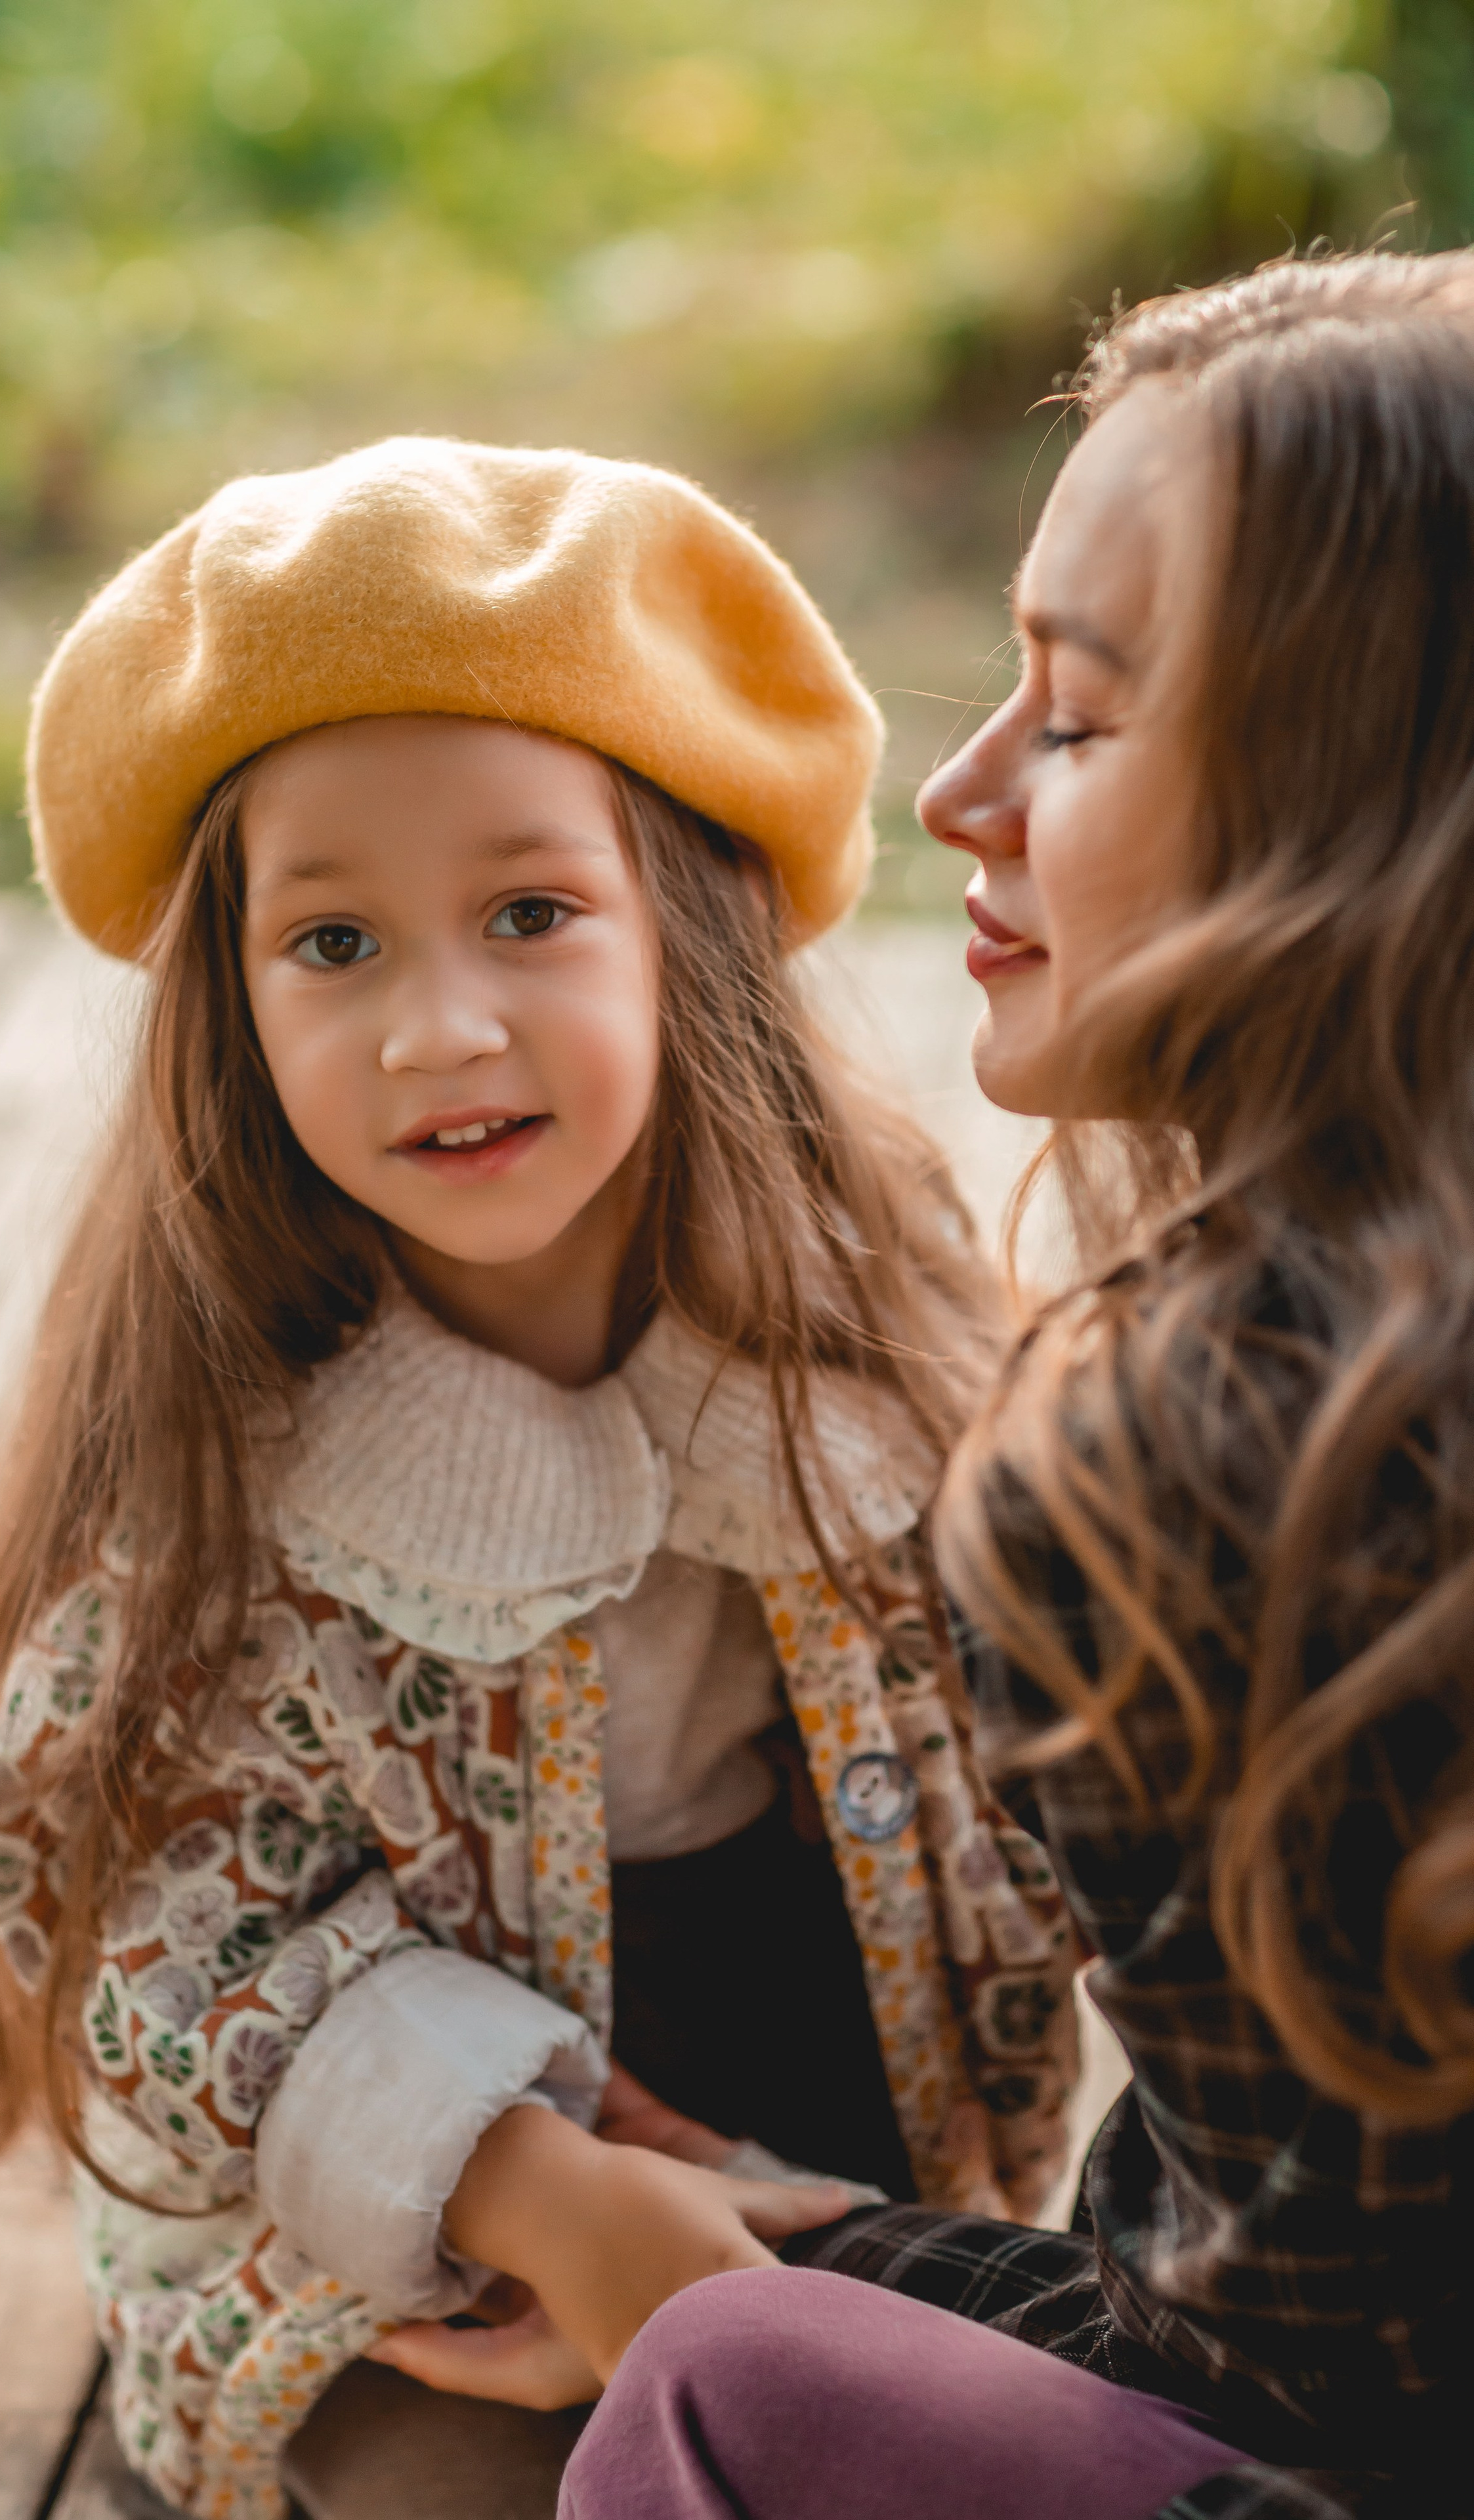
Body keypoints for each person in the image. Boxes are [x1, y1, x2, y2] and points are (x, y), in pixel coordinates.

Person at [0, 438, 1080, 2520]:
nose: (440, 1028)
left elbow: (1078, 1755)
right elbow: (155, 1924)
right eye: (332, 946)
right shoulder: (227, 1468)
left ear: (687, 934)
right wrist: (542, 2197)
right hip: (403, 2266)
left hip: (841, 2147)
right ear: (231, 1014)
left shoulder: (877, 1375)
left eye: (530, 912)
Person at [558, 250, 1474, 2520]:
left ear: (1364, 801)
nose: (962, 788)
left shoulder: (1215, 1448)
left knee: (733, 2379)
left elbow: (1334, 2409)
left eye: (1074, 718)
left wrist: (829, 2271)